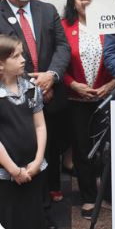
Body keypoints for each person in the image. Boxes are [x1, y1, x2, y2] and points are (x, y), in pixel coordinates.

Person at [0, 0, 71, 229]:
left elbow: (62, 46)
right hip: (12, 106)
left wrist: (50, 77)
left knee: (47, 156)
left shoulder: (46, 10)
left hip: (50, 97)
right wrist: (29, 80)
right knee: (18, 160)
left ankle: (45, 215)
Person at [62, 0, 115, 220]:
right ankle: (88, 197)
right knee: (83, 151)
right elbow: (57, 63)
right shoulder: (63, 27)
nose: (86, 0)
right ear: (73, 2)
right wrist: (73, 85)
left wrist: (112, 84)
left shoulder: (111, 24)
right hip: (76, 100)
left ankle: (112, 193)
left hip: (107, 97)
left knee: (109, 150)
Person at [0, 35, 47, 229]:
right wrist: (14, 170)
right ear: (1, 64)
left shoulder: (30, 89)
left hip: (32, 168)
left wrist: (37, 160)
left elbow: (40, 126)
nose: (23, 60)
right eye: (16, 56)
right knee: (11, 217)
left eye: (22, 54)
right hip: (6, 173)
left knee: (33, 216)